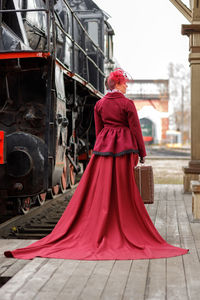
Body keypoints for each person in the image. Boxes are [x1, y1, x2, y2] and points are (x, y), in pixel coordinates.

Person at [4, 69, 188, 260]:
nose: (126, 86)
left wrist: (103, 145)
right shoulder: (128, 104)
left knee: (104, 186)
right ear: (117, 83)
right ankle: (123, 221)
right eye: (124, 83)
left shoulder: (99, 104)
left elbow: (99, 131)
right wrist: (142, 152)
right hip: (125, 150)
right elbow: (135, 130)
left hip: (104, 149)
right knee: (124, 189)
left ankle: (103, 220)